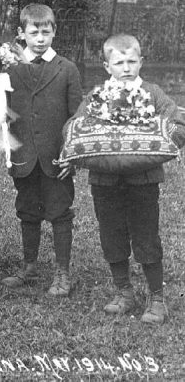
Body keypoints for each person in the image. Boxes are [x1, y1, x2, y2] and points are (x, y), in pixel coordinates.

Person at [75, 34, 185, 324]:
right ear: (106, 65)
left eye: (131, 61)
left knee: (146, 235)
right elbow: (76, 127)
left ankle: (157, 297)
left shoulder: (153, 93)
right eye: (119, 62)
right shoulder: (97, 96)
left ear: (141, 62)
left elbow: (177, 123)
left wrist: (162, 138)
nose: (126, 68)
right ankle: (124, 291)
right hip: (105, 181)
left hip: (142, 181)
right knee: (111, 234)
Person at [0, 4, 83, 297]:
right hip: (24, 156)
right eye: (33, 32)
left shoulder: (67, 69)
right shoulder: (9, 67)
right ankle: (30, 266)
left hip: (56, 157)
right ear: (21, 34)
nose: (40, 38)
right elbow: (3, 112)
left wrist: (71, 154)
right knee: (27, 210)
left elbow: (76, 116)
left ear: (54, 33)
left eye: (45, 32)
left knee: (60, 212)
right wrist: (9, 148)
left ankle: (62, 272)